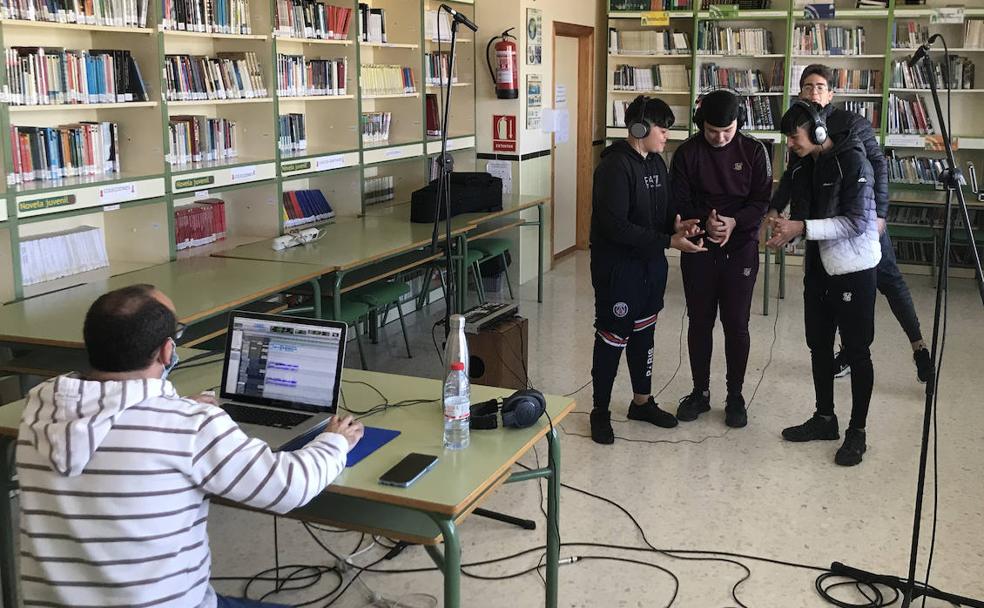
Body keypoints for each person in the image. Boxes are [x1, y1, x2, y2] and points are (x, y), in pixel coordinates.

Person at [15, 284, 365, 608]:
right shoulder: (189, 426)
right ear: (168, 351)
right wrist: (335, 441)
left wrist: (178, 406)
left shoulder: (39, 405)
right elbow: (290, 487)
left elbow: (118, 414)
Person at [770, 63, 933, 383]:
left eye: (819, 86)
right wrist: (777, 208)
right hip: (821, 226)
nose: (813, 92)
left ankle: (919, 346)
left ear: (831, 93)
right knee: (829, 291)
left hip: (861, 224)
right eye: (807, 86)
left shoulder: (850, 123)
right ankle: (842, 354)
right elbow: (793, 175)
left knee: (890, 283)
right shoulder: (798, 128)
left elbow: (878, 167)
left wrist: (881, 215)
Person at [768, 101, 881, 466]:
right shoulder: (803, 165)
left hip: (854, 269)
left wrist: (800, 229)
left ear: (818, 131)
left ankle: (857, 431)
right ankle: (824, 418)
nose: (790, 143)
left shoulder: (854, 161)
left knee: (857, 351)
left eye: (794, 136)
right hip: (819, 267)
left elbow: (856, 223)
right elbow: (800, 207)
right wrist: (785, 231)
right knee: (819, 346)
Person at [589, 95, 706, 445]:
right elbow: (615, 227)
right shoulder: (614, 167)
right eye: (662, 128)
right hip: (618, 271)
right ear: (639, 128)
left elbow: (668, 208)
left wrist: (683, 226)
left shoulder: (656, 162)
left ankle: (641, 402)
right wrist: (669, 242)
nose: (667, 135)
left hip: (650, 267)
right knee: (613, 338)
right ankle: (600, 411)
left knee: (644, 334)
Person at [669, 89, 773, 428]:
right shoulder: (687, 153)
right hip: (699, 246)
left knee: (736, 323)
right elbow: (678, 199)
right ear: (702, 124)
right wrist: (707, 221)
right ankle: (700, 392)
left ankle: (735, 395)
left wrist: (734, 222)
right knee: (700, 321)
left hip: (740, 247)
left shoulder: (754, 151)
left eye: (728, 130)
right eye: (713, 131)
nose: (720, 137)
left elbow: (761, 201)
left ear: (738, 123)